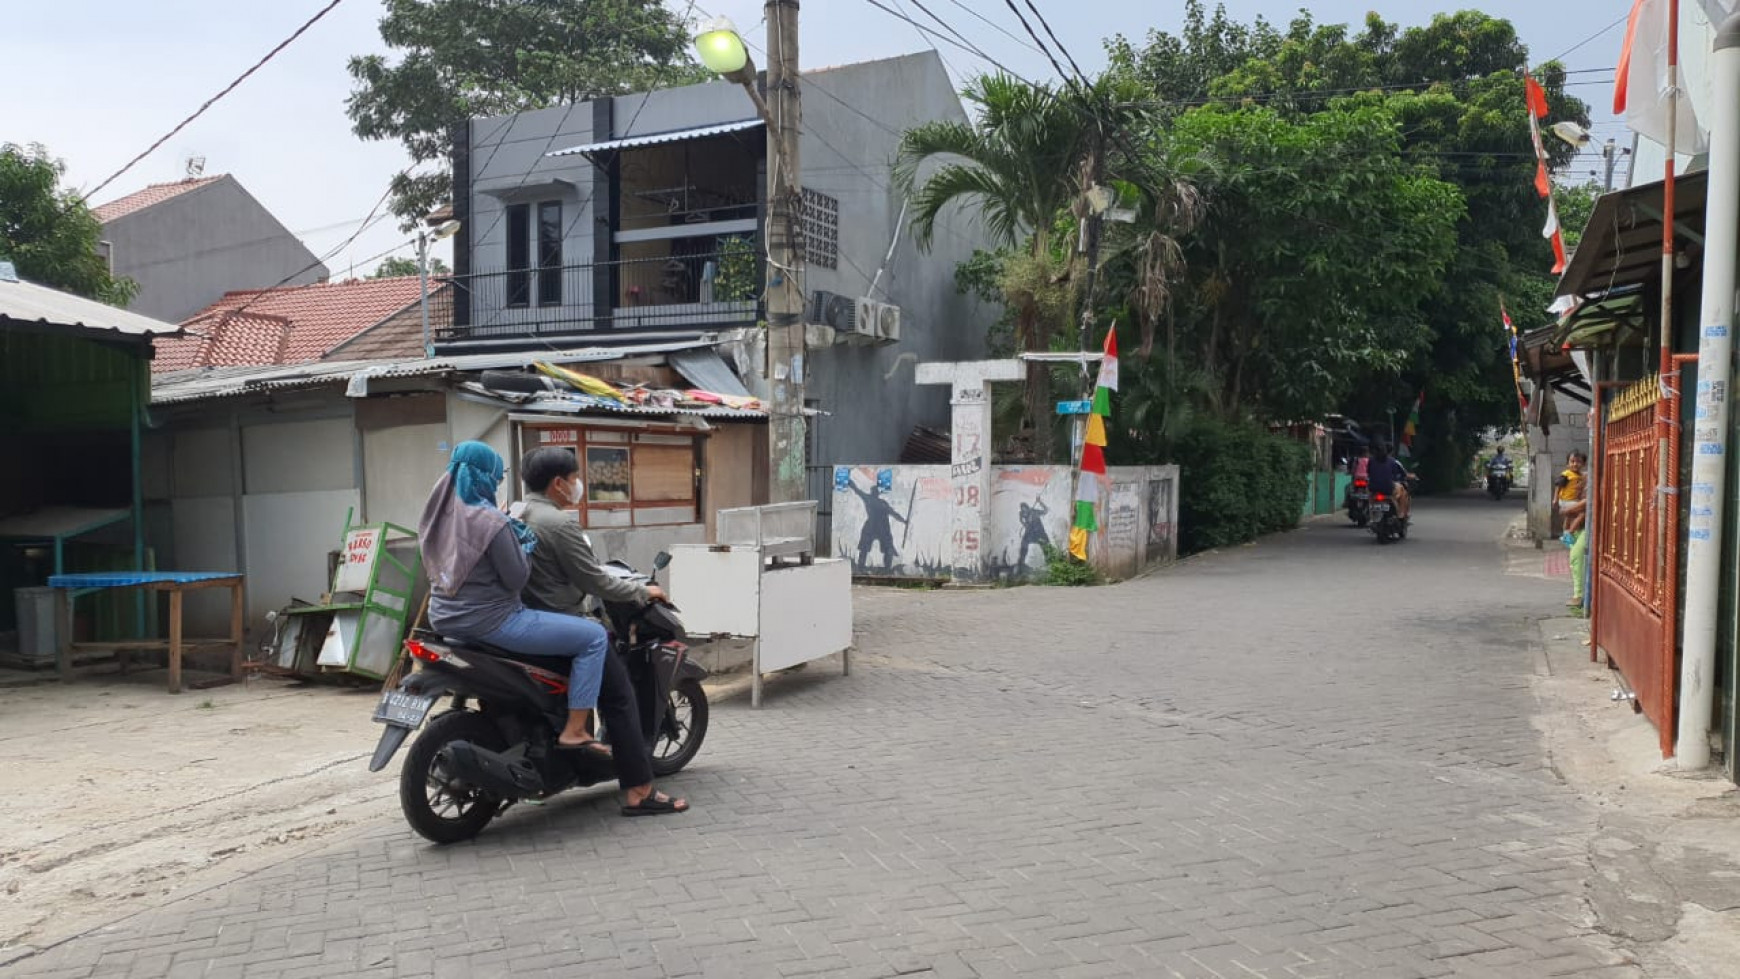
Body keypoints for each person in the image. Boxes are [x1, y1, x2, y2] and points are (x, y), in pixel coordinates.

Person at [515, 447, 689, 816]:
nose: (579, 486)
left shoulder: (515, 512)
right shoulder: (559, 524)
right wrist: (643, 591)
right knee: (620, 697)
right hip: (562, 622)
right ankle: (639, 790)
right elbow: (594, 580)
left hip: (520, 622)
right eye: (576, 479)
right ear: (559, 484)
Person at [418, 441, 610, 757]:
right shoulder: (492, 521)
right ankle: (575, 730)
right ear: (483, 476)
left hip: (444, 620)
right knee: (594, 638)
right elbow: (517, 578)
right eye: (495, 477)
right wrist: (524, 542)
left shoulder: (435, 514)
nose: (496, 484)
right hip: (493, 622)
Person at [851, 480, 907, 571]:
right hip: (872, 527)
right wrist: (851, 484)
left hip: (882, 528)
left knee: (888, 548)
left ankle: (887, 567)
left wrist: (903, 521)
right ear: (873, 492)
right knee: (865, 547)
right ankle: (861, 566)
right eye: (875, 492)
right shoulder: (871, 499)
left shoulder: (882, 503)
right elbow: (857, 491)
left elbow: (893, 513)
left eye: (876, 492)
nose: (875, 493)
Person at [1367, 442, 1411, 520]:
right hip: (1388, 488)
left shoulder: (1371, 461)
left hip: (1373, 488)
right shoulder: (1392, 461)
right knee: (1403, 491)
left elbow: (1369, 472)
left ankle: (1371, 516)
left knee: (1370, 497)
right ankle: (1400, 514)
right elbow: (1394, 474)